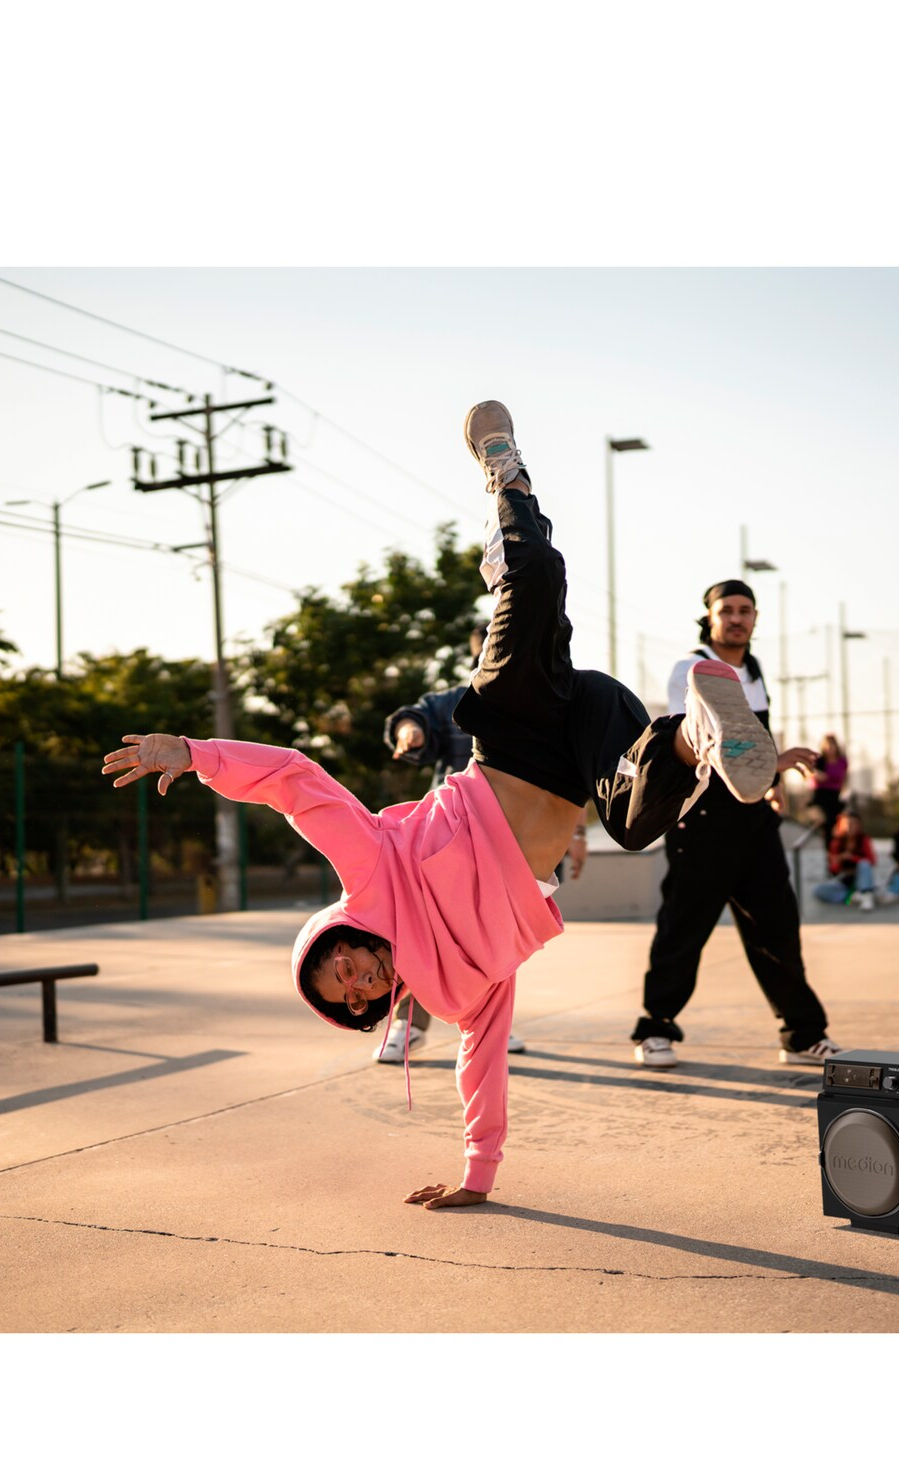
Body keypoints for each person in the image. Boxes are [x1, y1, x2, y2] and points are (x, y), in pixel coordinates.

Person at [102, 401, 781, 1209]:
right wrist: (478, 1176)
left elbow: (296, 781)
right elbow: (481, 1061)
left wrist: (196, 754)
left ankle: (505, 470)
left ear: (334, 941)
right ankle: (695, 734)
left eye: (340, 971)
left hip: (516, 730)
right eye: (353, 1001)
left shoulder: (366, 871)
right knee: (635, 827)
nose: (357, 985)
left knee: (538, 578)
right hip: (588, 759)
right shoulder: (460, 992)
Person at [630, 580, 838, 1068]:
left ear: (755, 618)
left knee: (778, 928)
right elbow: (700, 742)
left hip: (753, 818)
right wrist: (776, 761)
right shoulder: (692, 666)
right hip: (702, 817)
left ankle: (802, 1035)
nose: (737, 618)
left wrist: (771, 782)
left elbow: (755, 732)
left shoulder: (755, 669)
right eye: (727, 610)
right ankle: (655, 1029)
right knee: (683, 928)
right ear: (710, 616)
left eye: (746, 610)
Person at [377, 627, 582, 1062]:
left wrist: (577, 834)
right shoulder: (457, 701)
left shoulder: (544, 706)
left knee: (498, 938)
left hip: (511, 848)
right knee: (427, 933)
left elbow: (572, 779)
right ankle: (407, 1025)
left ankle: (492, 1021)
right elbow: (415, 715)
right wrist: (409, 731)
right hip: (448, 847)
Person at [815, 806, 884, 910]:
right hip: (845, 880)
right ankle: (852, 897)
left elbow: (871, 861)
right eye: (848, 824)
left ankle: (865, 895)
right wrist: (840, 858)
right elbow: (833, 869)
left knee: (864, 864)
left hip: (861, 877)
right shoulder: (836, 842)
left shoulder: (864, 840)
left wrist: (853, 858)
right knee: (819, 890)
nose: (851, 827)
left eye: (854, 824)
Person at [809, 733, 847, 839]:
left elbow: (843, 779)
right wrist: (817, 774)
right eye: (827, 745)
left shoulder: (842, 761)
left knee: (840, 820)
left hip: (834, 796)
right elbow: (811, 773)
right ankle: (828, 843)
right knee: (827, 819)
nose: (830, 748)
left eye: (832, 745)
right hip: (820, 796)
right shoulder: (819, 761)